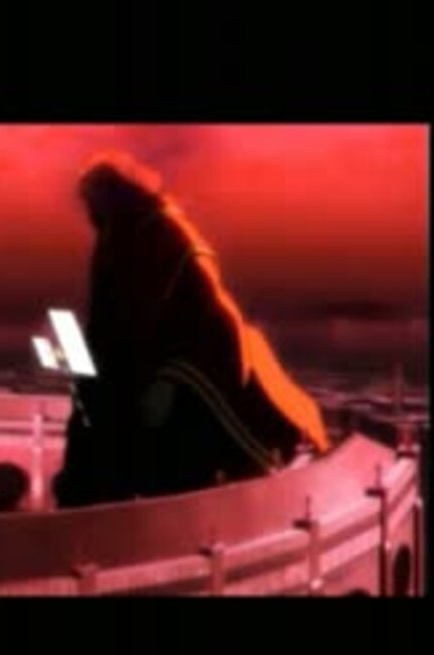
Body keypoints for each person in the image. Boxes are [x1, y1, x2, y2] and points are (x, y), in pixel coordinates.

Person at [54, 152, 329, 507]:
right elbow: (110, 320)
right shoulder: (120, 235)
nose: (89, 211)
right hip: (153, 359)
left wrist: (160, 381)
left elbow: (151, 318)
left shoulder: (158, 234)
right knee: (97, 404)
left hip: (196, 362)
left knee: (144, 425)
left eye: (92, 200)